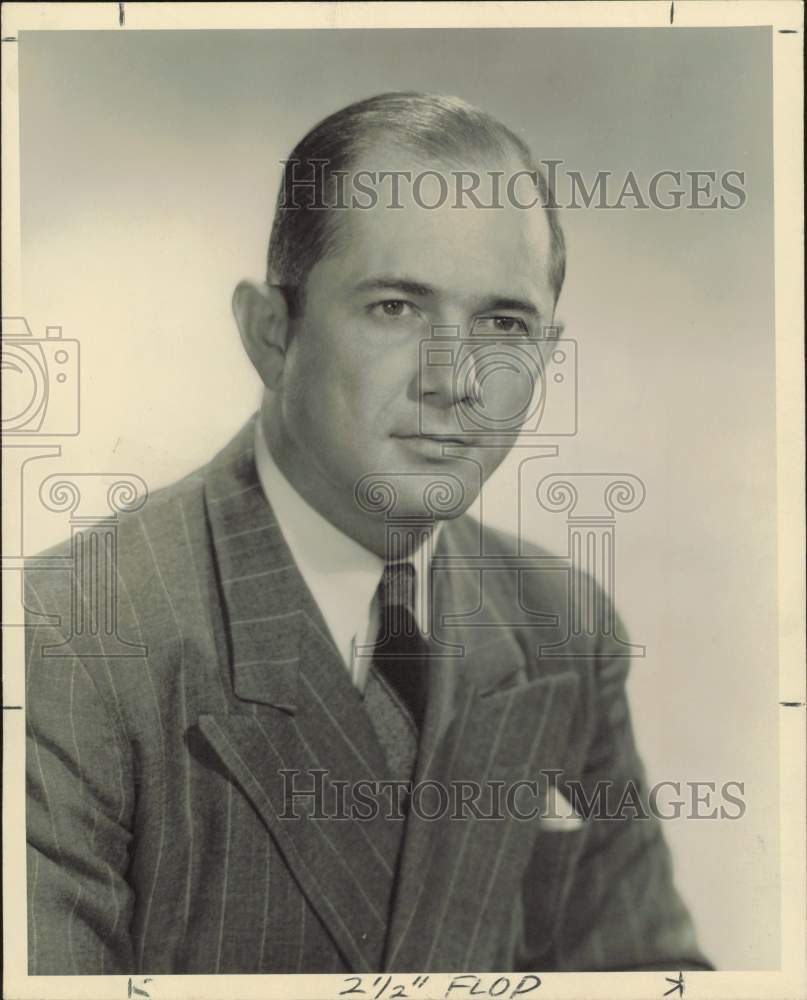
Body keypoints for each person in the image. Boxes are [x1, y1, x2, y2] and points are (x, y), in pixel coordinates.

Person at [25, 92, 710, 975]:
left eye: (503, 324)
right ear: (271, 333)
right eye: (395, 307)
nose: (456, 379)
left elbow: (650, 977)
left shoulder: (561, 626)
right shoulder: (69, 641)